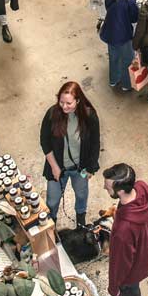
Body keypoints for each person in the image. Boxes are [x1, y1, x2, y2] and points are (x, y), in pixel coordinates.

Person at [103, 164, 148, 296]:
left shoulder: (124, 229)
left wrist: (115, 286)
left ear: (121, 191)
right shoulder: (143, 189)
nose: (104, 187)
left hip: (130, 271)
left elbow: (121, 264)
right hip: (144, 250)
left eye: (108, 186)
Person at [40, 81, 101, 227]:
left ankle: (80, 220)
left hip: (80, 169)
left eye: (69, 103)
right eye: (61, 102)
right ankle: (51, 224)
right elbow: (44, 141)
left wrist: (91, 168)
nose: (64, 107)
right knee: (52, 200)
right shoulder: (52, 114)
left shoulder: (89, 116)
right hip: (58, 168)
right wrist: (54, 166)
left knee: (81, 195)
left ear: (78, 101)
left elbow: (95, 143)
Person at [99, 0, 141, 91]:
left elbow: (107, 7)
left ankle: (113, 80)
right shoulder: (130, 1)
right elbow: (134, 18)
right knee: (127, 59)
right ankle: (126, 85)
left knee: (114, 57)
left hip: (109, 31)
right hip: (123, 35)